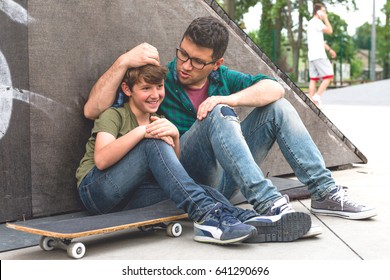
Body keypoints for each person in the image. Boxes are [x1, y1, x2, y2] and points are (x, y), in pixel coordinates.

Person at [84, 16, 376, 237]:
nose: (184, 65)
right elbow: (94, 109)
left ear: (216, 63)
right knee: (216, 112)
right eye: (182, 54)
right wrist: (123, 61)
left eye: (197, 62)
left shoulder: (223, 79)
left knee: (277, 108)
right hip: (186, 174)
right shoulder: (159, 81)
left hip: (226, 178)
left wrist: (226, 97)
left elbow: (276, 89)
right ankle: (268, 204)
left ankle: (324, 192)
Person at [76, 64, 263, 245]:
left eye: (159, 87)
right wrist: (142, 132)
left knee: (200, 189)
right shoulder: (114, 115)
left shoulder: (159, 120)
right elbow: (101, 160)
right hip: (96, 191)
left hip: (131, 197)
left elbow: (174, 174)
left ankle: (240, 217)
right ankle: (206, 216)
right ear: (127, 89)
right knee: (153, 141)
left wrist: (175, 136)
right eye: (146, 88)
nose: (155, 94)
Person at [307, 3, 337, 107]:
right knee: (329, 75)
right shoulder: (317, 22)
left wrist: (329, 49)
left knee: (313, 79)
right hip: (319, 55)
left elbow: (319, 41)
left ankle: (310, 102)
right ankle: (316, 97)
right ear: (318, 12)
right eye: (323, 11)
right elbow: (330, 30)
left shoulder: (310, 23)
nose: (324, 13)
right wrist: (325, 18)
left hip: (311, 55)